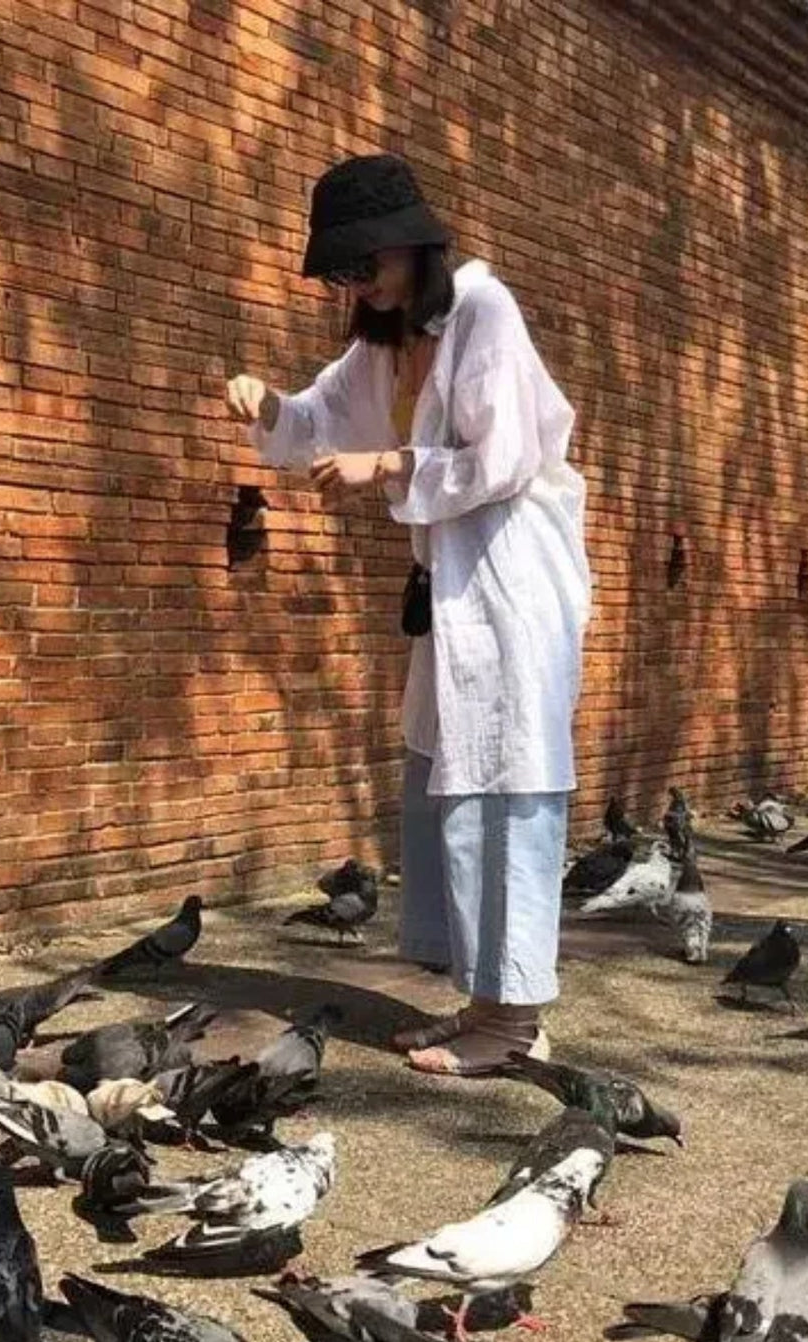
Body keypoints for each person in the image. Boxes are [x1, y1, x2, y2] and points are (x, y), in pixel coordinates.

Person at [226, 153, 591, 1076]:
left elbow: (502, 457)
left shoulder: (483, 310)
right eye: (344, 273)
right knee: (448, 774)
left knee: (511, 783)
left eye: (367, 263)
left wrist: (390, 469)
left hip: (516, 574)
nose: (360, 284)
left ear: (415, 245)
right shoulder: (381, 347)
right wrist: (267, 407)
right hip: (454, 588)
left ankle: (512, 1023)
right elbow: (315, 422)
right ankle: (483, 1000)